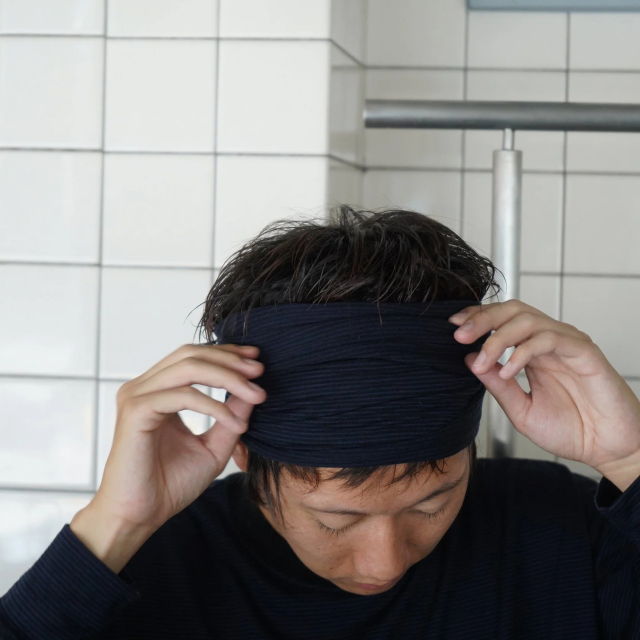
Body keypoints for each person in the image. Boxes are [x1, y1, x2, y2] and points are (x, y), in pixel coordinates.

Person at [0, 206, 639, 639]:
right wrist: (116, 525)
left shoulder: (564, 533)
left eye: (432, 503)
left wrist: (630, 461)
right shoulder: (152, 567)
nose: (386, 560)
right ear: (244, 453)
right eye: (334, 519)